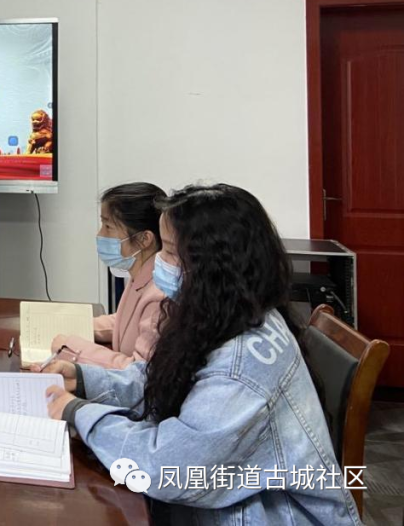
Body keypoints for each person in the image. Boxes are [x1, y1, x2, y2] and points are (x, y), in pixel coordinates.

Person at [39, 184, 361, 525]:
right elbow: (164, 379)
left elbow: (168, 469)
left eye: (170, 252)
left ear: (214, 266)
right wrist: (85, 379)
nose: (159, 262)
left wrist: (81, 413)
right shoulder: (228, 315)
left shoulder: (242, 364)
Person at [51, 182, 166, 368]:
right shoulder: (142, 273)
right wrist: (78, 325)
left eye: (108, 226)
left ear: (144, 239)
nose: (100, 234)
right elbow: (127, 323)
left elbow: (139, 371)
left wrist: (72, 348)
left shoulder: (159, 293)